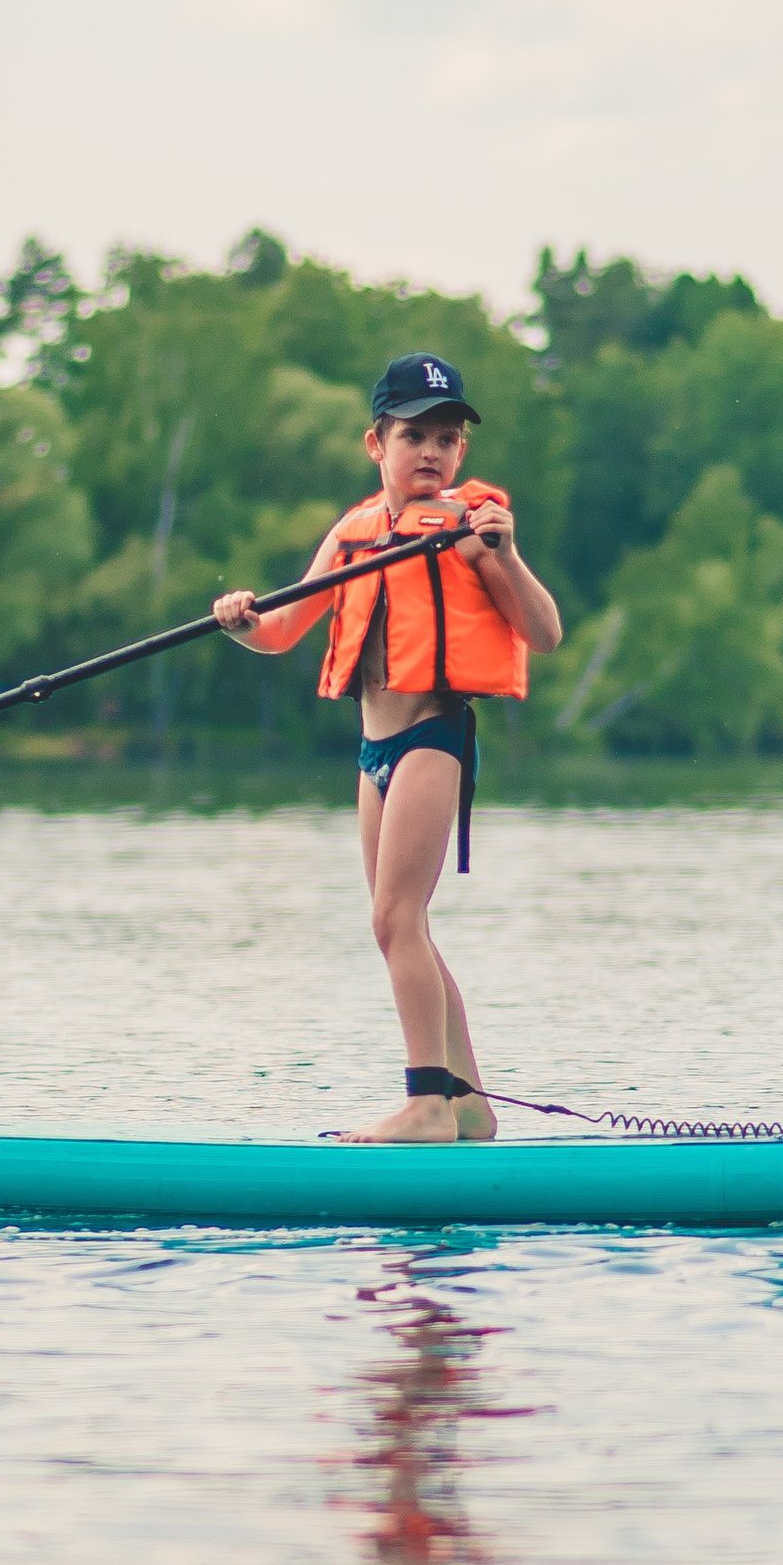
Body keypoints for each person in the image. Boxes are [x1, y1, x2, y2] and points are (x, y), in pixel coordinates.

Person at [215, 352, 561, 1145]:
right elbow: (278, 632)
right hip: (373, 752)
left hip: (432, 737)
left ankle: (427, 1105)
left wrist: (507, 554)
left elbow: (544, 634)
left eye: (447, 437)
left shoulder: (471, 533)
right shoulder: (354, 535)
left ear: (462, 453)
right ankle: (470, 1104)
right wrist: (238, 619)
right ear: (377, 443)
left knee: (394, 918)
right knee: (405, 927)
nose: (432, 451)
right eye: (415, 435)